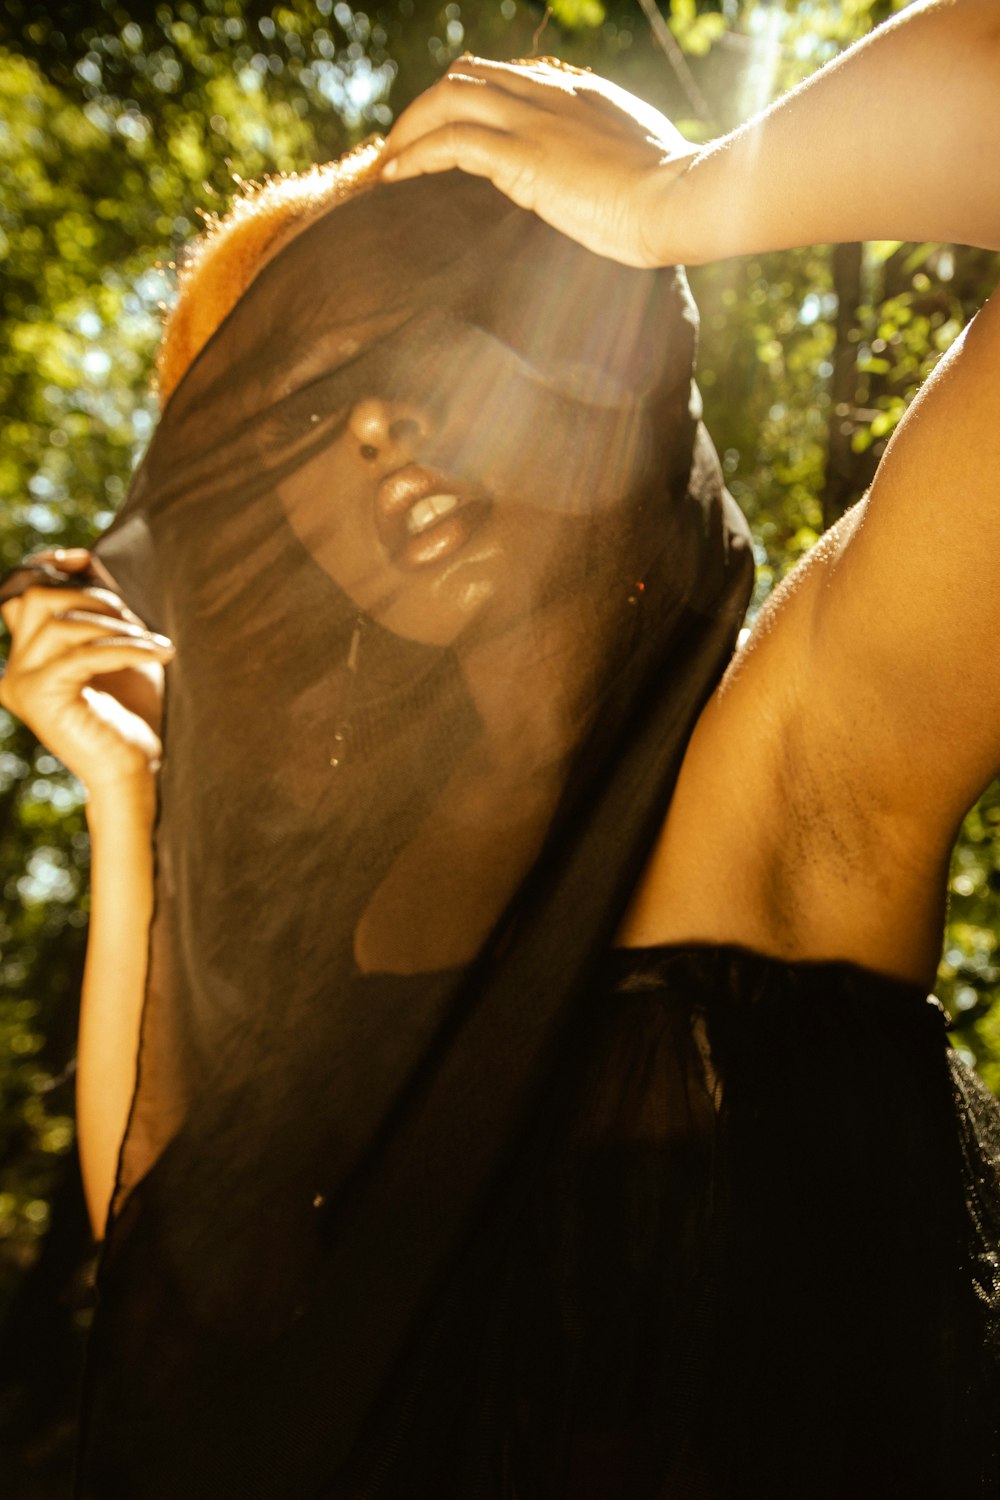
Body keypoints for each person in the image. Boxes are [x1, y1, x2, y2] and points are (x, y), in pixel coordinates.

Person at [0, 1, 998, 1496]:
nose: (383, 435)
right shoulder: (350, 883)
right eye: (302, 413)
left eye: (421, 336)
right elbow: (184, 1263)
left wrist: (690, 199)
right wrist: (128, 808)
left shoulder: (792, 742)